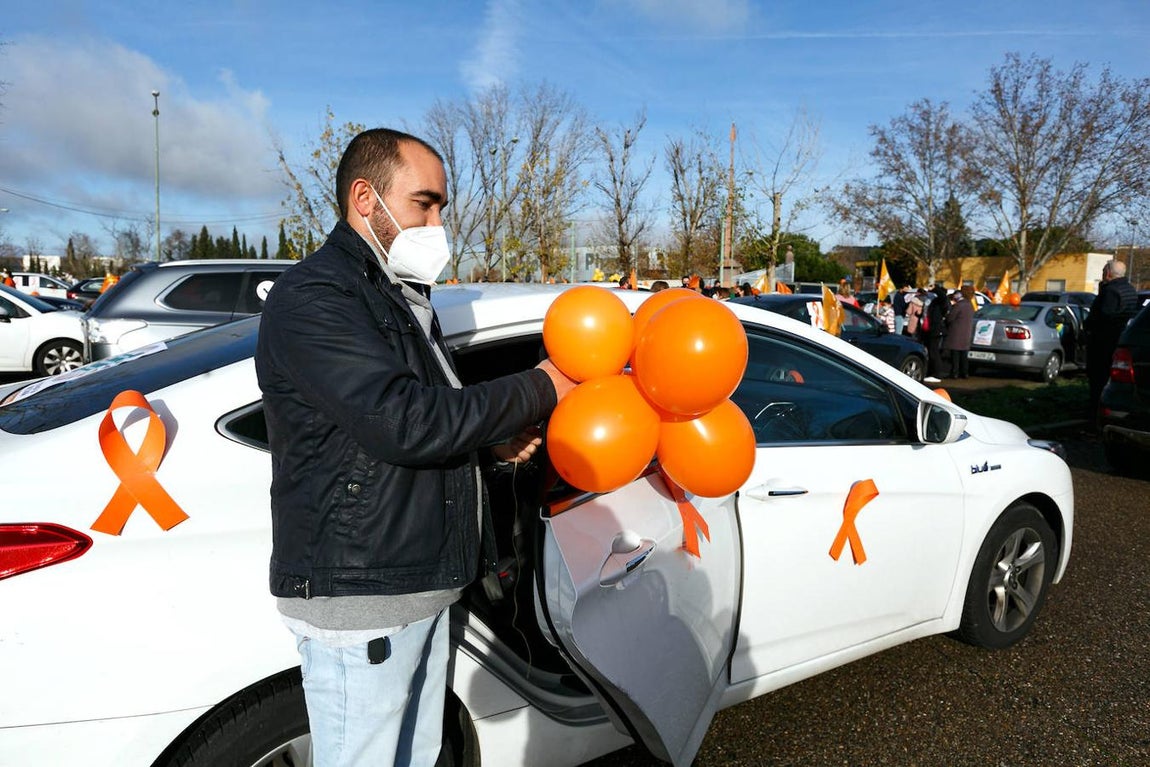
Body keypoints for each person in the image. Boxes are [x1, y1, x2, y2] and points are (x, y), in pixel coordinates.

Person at [255, 128, 578, 767]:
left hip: (417, 586)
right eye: (422, 204)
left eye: (440, 210)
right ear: (364, 198)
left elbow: (393, 429)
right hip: (364, 600)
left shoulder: (398, 298)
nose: (436, 224)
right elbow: (403, 421)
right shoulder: (318, 296)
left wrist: (490, 445)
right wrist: (542, 386)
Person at [1086, 259, 1139, 415]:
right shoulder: (1130, 290)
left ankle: (1095, 409)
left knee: (1098, 378)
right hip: (1119, 339)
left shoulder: (1110, 291)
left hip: (1103, 341)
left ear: (1108, 273)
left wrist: (1090, 327)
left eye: (1103, 271)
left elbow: (1104, 316)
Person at [943, 285, 976, 379]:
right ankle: (965, 373)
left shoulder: (959, 305)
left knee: (955, 355)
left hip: (956, 333)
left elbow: (950, 318)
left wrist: (946, 317)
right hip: (966, 333)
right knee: (963, 355)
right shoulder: (970, 305)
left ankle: (954, 373)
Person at [923, 284, 950, 382]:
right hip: (931, 329)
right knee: (931, 352)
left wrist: (935, 288)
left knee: (934, 352)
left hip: (936, 330)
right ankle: (931, 372)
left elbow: (942, 296)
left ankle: (937, 374)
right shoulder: (934, 302)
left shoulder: (942, 301)